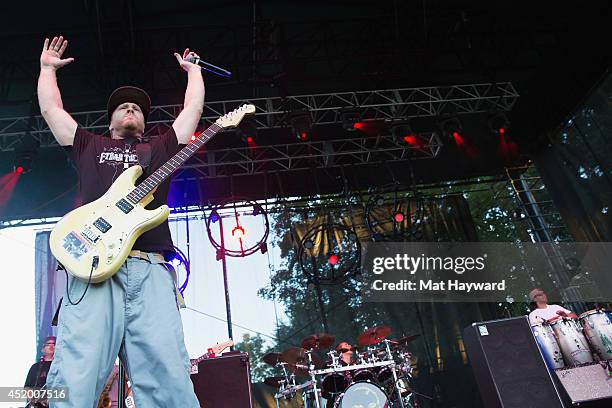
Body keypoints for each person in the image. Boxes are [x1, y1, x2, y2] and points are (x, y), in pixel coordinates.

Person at [38, 35, 204, 407]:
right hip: (94, 269)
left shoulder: (158, 149)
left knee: (169, 380)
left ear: (144, 122)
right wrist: (48, 70)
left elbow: (192, 110)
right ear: (111, 119)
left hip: (150, 269)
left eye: (137, 108)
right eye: (123, 107)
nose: (130, 110)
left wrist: (193, 72)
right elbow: (52, 111)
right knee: (76, 375)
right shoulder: (89, 146)